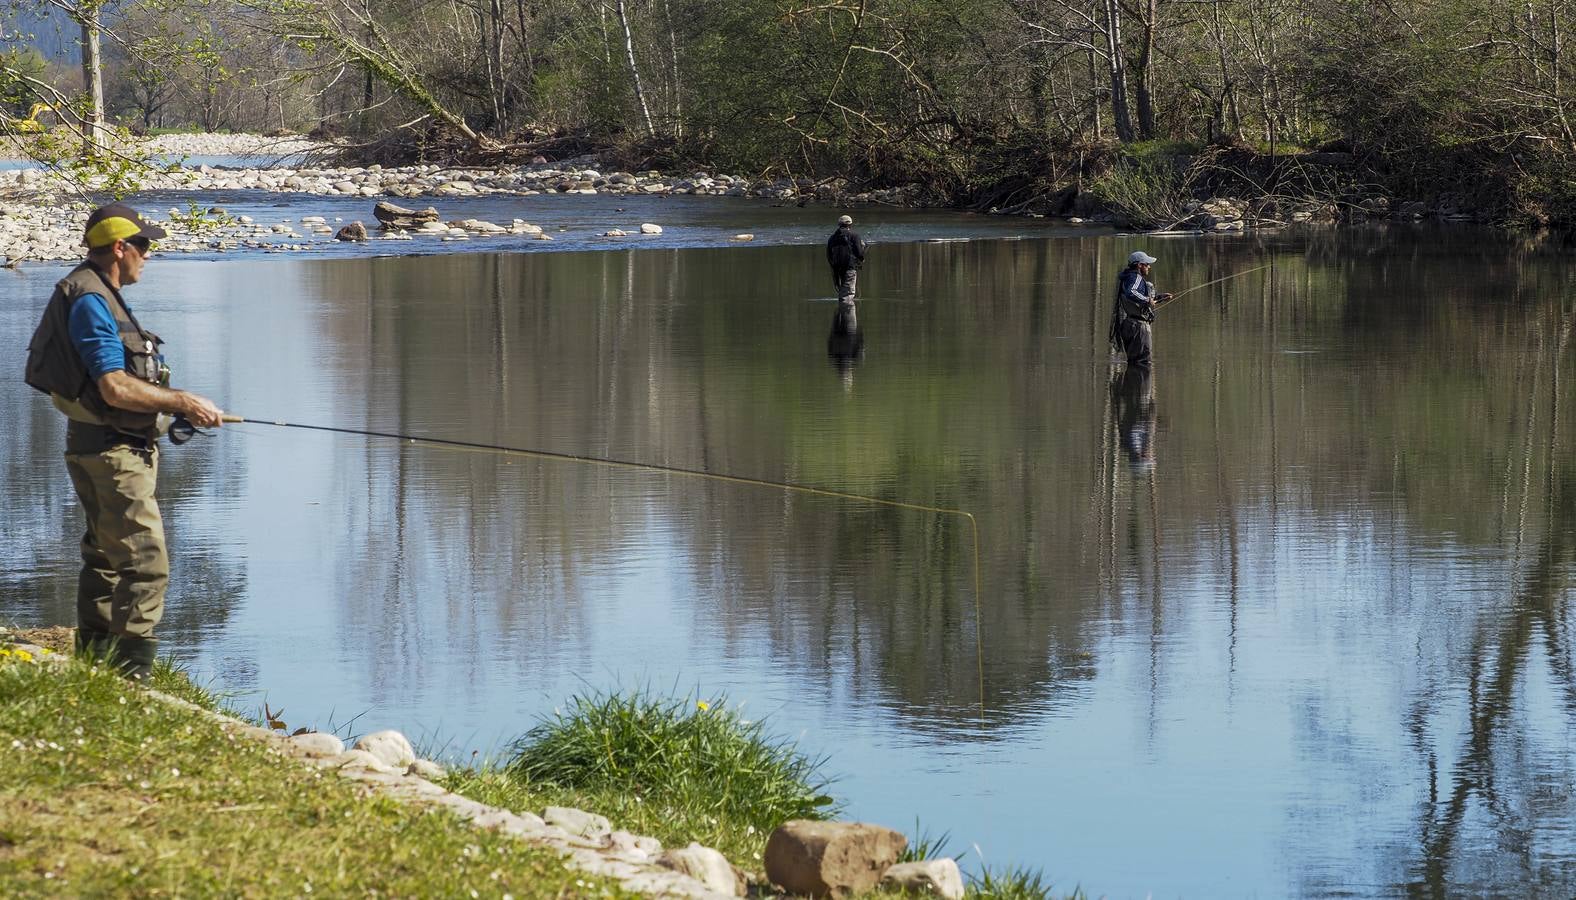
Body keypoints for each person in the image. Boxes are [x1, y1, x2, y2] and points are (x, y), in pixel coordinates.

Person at [24, 203, 225, 680]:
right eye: (144, 246)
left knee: (105, 558)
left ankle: (95, 668)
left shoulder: (95, 291)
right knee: (146, 563)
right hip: (112, 454)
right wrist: (182, 402)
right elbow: (114, 387)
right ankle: (133, 679)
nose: (148, 256)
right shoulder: (91, 299)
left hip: (98, 447)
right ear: (119, 248)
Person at [1108, 250, 1173, 370]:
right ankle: (1140, 388)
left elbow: (1137, 296)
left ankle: (1133, 386)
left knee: (1135, 364)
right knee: (1143, 364)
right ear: (1139, 265)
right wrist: (1147, 301)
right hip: (1139, 327)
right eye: (1146, 264)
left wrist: (1160, 297)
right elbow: (1131, 292)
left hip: (1130, 324)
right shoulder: (1136, 277)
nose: (1149, 267)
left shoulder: (1128, 277)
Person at [826, 214, 867, 303]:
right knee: (848, 295)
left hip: (837, 269)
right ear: (850, 225)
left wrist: (833, 268)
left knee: (843, 292)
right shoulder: (854, 235)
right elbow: (859, 253)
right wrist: (862, 258)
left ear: (839, 224)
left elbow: (829, 255)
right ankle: (846, 313)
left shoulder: (832, 238)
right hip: (850, 267)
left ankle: (840, 315)